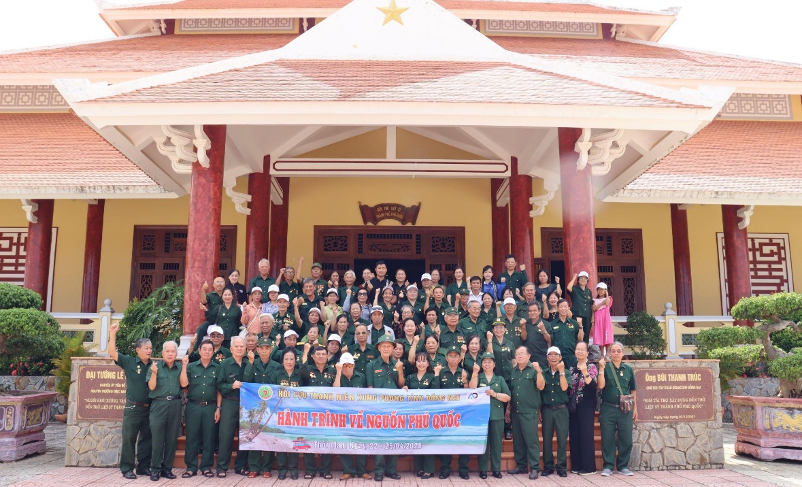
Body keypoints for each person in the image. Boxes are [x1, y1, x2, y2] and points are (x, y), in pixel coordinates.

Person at [108, 322, 152, 480]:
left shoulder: (154, 366)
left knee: (147, 438)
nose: (149, 351)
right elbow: (112, 353)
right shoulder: (129, 362)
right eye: (146, 348)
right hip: (133, 407)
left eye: (150, 348)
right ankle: (127, 468)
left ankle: (143, 467)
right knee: (129, 438)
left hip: (150, 408)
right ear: (138, 350)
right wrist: (112, 333)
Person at [366, 335, 405, 481]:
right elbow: (370, 388)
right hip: (379, 408)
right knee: (380, 439)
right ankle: (379, 471)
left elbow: (401, 385)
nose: (386, 348)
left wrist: (400, 371)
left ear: (393, 348)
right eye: (384, 346)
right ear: (379, 348)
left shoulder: (398, 364)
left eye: (389, 346)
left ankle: (391, 470)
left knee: (393, 438)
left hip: (394, 408)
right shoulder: (372, 365)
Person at [180, 339, 220, 479]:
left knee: (209, 437)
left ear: (213, 352)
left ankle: (206, 467)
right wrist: (184, 366)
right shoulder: (191, 367)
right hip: (193, 406)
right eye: (204, 349)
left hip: (210, 407)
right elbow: (184, 384)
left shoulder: (217, 368)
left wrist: (218, 408)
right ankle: (191, 467)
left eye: (210, 350)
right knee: (192, 437)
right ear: (199, 351)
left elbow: (219, 390)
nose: (207, 352)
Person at [598, 342, 637, 477]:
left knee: (626, 438)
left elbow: (633, 390)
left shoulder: (628, 369)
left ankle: (623, 466)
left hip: (625, 409)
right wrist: (601, 369)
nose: (615, 353)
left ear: (623, 353)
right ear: (610, 353)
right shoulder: (606, 368)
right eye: (613, 351)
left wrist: (635, 409)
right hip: (608, 408)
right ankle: (608, 466)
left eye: (618, 351)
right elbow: (600, 386)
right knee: (607, 437)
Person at [469, 352, 510, 479]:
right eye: (485, 362)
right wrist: (475, 373)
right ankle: (483, 469)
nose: (487, 364)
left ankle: (496, 469)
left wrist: (495, 394)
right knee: (483, 443)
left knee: (496, 443)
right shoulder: (478, 377)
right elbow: (471, 389)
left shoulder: (500, 379)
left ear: (494, 364)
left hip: (497, 416)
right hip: (480, 417)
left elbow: (507, 397)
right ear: (481, 364)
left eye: (490, 362)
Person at [506, 346, 544, 480]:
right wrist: (508, 409)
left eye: (522, 353)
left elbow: (541, 386)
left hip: (529, 411)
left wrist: (539, 372)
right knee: (518, 440)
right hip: (516, 411)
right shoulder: (514, 371)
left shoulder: (534, 370)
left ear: (529, 356)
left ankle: (534, 467)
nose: (519, 356)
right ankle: (521, 465)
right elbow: (512, 391)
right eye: (517, 354)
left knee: (531, 440)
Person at [146, 341, 182, 481]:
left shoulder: (179, 368)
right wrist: (154, 373)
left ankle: (167, 469)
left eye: (173, 351)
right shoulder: (154, 367)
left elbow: (184, 384)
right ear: (162, 353)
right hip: (158, 404)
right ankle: (155, 469)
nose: (170, 354)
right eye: (167, 351)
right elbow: (151, 387)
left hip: (175, 404)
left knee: (171, 439)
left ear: (176, 354)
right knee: (157, 439)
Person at [244, 337, 279, 478]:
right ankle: (254, 467)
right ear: (257, 349)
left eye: (267, 348)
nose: (264, 351)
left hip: (269, 407)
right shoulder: (252, 363)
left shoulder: (276, 366)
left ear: (271, 350)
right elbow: (246, 381)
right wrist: (250, 363)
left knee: (267, 436)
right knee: (254, 435)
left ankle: (267, 468)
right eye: (261, 348)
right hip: (254, 406)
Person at [333, 353, 372, 480]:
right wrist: (338, 372)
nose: (347, 368)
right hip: (342, 415)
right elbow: (335, 391)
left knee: (361, 442)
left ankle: (362, 471)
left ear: (353, 365)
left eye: (349, 365)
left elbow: (368, 394)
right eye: (344, 365)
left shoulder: (361, 377)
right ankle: (348, 470)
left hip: (359, 415)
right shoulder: (337, 376)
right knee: (344, 441)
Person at [300, 346, 336, 479]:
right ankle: (310, 470)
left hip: (327, 413)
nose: (321, 356)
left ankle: (325, 470)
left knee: (327, 440)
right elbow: (301, 371)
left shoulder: (333, 371)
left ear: (327, 356)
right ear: (313, 356)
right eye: (318, 354)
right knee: (308, 440)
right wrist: (305, 351)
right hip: (310, 412)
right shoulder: (307, 369)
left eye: (323, 354)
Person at [434, 344, 470, 479]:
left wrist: (465, 381)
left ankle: (463, 469)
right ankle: (445, 469)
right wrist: (436, 375)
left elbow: (469, 393)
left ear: (460, 358)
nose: (453, 358)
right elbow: (435, 392)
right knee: (445, 440)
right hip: (445, 412)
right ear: (446, 358)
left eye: (456, 356)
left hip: (462, 413)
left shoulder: (464, 372)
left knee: (463, 440)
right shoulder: (441, 372)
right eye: (451, 356)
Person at [216, 336, 249, 477]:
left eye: (242, 346)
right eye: (236, 346)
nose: (239, 349)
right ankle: (222, 467)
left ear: (245, 348)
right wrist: (231, 386)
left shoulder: (249, 363)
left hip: (246, 405)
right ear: (231, 349)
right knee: (226, 436)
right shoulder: (225, 364)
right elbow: (219, 385)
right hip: (230, 402)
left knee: (245, 436)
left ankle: (240, 466)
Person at [404, 351, 437, 479]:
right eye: (419, 361)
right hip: (414, 415)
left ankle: (429, 469)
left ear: (428, 363)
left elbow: (436, 394)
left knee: (428, 441)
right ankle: (419, 468)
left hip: (428, 414)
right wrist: (404, 389)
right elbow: (405, 392)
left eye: (424, 361)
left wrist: (437, 376)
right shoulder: (410, 377)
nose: (421, 363)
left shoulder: (432, 377)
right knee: (417, 440)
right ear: (415, 363)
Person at [270, 348, 302, 479]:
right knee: (281, 441)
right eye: (286, 359)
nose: (289, 362)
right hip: (280, 413)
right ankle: (282, 470)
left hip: (296, 414)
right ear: (282, 361)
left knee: (294, 440)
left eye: (292, 359)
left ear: (295, 360)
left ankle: (293, 470)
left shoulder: (300, 375)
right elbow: (271, 393)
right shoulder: (276, 374)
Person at [569, 341, 598, 476]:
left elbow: (593, 386)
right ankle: (577, 465)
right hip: (574, 405)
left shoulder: (591, 366)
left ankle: (589, 467)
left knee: (586, 435)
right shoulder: (572, 368)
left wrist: (585, 372)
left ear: (587, 353)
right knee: (575, 435)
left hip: (587, 404)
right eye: (578, 349)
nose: (580, 351)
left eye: (582, 349)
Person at [541, 346, 570, 478]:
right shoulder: (544, 373)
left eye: (555, 355)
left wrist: (562, 372)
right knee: (547, 439)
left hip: (561, 410)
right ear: (547, 358)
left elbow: (564, 387)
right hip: (547, 409)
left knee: (562, 439)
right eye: (550, 355)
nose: (553, 357)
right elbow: (540, 391)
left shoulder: (566, 372)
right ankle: (548, 466)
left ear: (560, 357)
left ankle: (561, 467)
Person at [550, 299, 583, 369]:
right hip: (557, 357)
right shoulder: (552, 324)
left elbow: (580, 339)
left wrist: (580, 326)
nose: (563, 309)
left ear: (568, 308)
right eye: (561, 307)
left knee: (571, 375)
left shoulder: (574, 323)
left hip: (571, 356)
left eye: (565, 307)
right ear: (557, 309)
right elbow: (550, 341)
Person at [520, 301, 552, 369]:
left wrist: (543, 330)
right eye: (530, 311)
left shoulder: (546, 324)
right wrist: (523, 327)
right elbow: (523, 338)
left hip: (541, 358)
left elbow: (549, 340)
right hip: (528, 358)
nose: (532, 313)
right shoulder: (525, 323)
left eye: (534, 310)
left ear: (539, 311)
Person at [567, 271, 593, 343]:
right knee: (576, 334)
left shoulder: (589, 291)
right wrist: (574, 277)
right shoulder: (575, 289)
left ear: (587, 280)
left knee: (586, 336)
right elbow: (568, 288)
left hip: (587, 316)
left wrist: (592, 316)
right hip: (577, 315)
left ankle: (585, 349)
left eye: (585, 278)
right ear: (578, 280)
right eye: (581, 278)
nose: (583, 280)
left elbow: (591, 304)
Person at [592, 282, 614, 359]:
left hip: (606, 319)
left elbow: (607, 303)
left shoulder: (608, 298)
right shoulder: (595, 300)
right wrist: (601, 303)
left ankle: (607, 354)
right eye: (598, 290)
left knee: (607, 334)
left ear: (605, 290)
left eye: (602, 289)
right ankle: (602, 354)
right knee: (600, 335)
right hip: (598, 319)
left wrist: (607, 295)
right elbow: (594, 308)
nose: (600, 291)